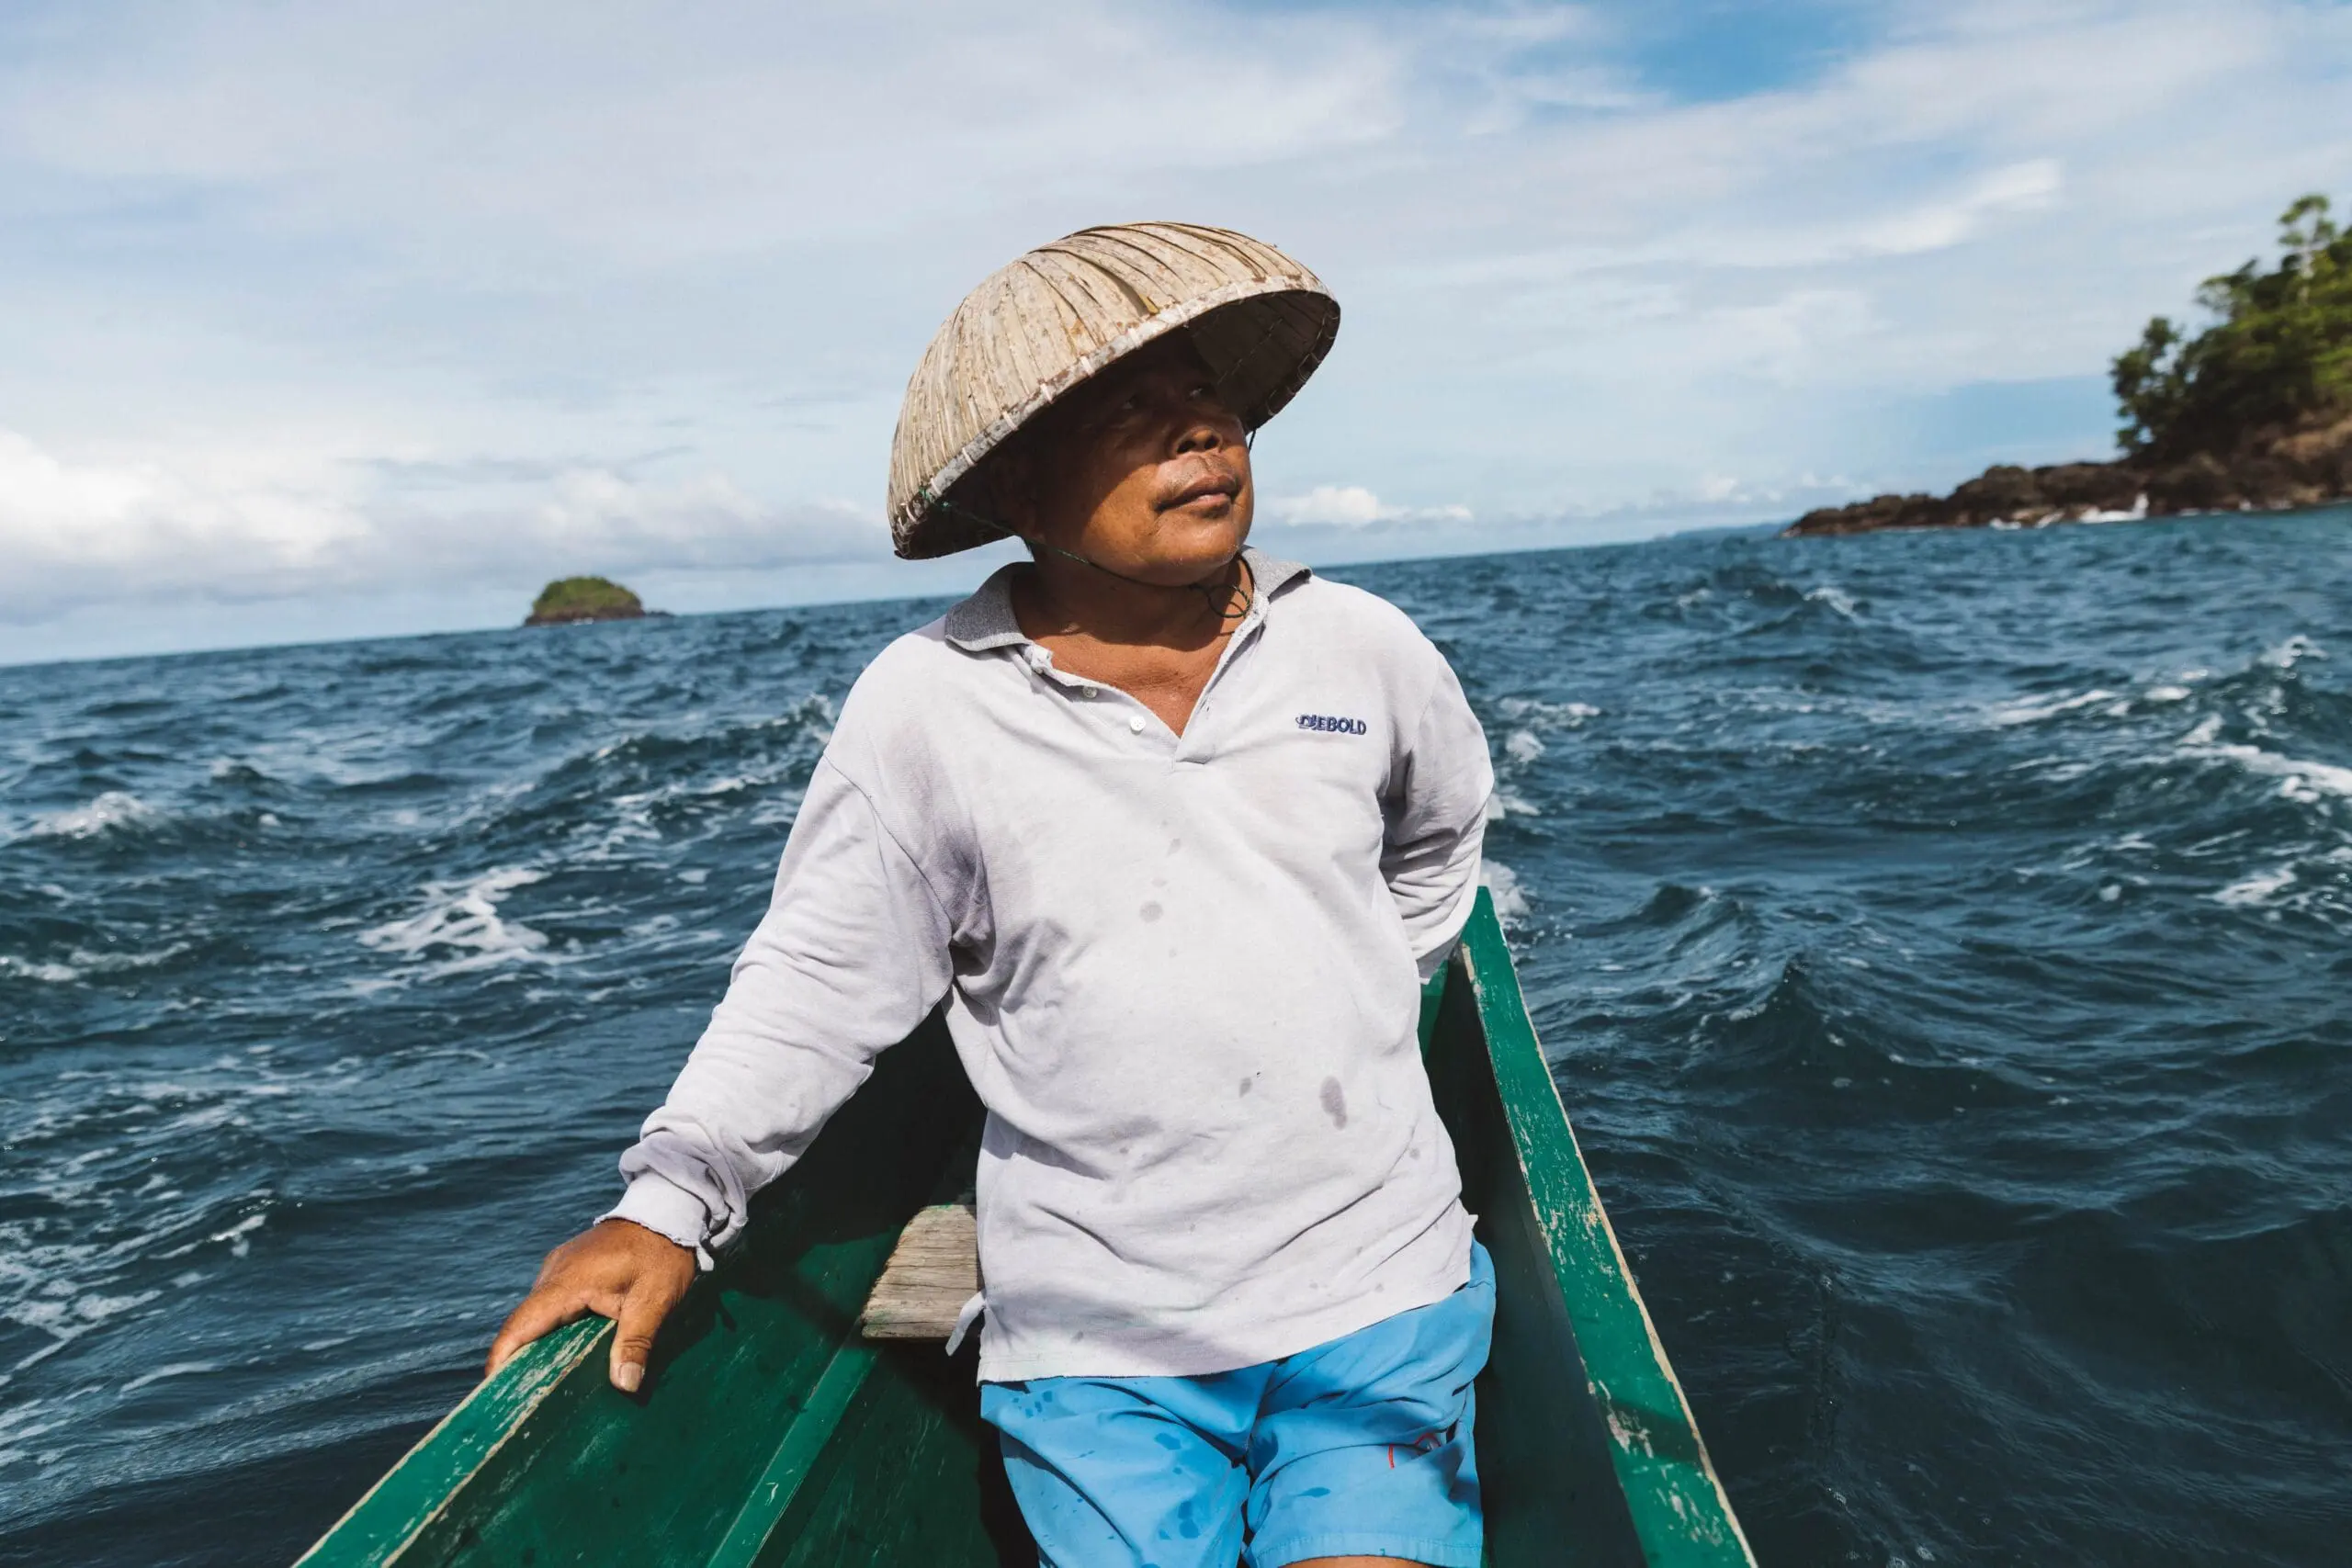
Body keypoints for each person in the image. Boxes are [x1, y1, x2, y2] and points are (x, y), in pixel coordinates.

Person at [487, 223, 1498, 1568]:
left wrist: (1348, 993)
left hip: (1378, 1289)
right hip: (1097, 1341)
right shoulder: (929, 703)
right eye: (1132, 410)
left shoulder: (1360, 644)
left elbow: (1436, 846)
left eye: (1206, 398)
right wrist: (665, 1201)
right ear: (1022, 486)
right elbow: (815, 979)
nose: (1197, 427)